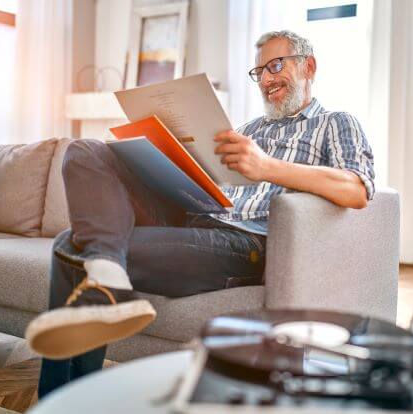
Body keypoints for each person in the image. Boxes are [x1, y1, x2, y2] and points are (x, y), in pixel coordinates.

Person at [27, 30, 376, 397]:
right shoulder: (247, 131)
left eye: (276, 65)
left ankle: (62, 397)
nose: (267, 79)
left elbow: (357, 190)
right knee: (84, 151)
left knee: (71, 243)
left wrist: (266, 166)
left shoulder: (336, 122)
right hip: (197, 215)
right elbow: (210, 181)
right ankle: (106, 273)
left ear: (308, 66)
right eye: (259, 72)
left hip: (245, 242)